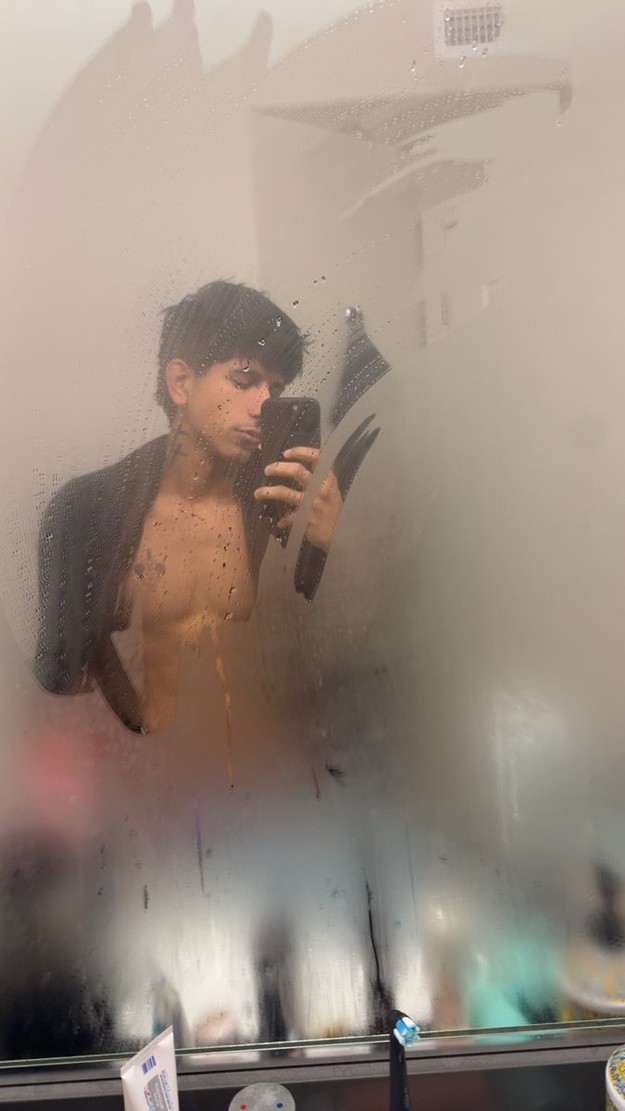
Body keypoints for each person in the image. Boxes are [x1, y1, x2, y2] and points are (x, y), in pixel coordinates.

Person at [35, 280, 343, 733]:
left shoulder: (276, 506)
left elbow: (326, 656)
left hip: (264, 755)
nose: (263, 405)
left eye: (275, 391)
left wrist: (329, 545)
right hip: (145, 763)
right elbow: (63, 692)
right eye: (244, 381)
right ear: (181, 383)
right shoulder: (86, 510)